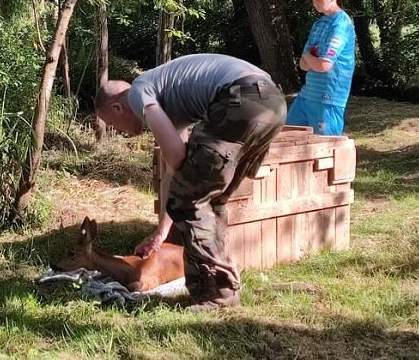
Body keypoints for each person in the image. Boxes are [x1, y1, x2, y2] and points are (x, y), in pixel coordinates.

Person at [95, 53, 287, 311]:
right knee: (211, 198)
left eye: (112, 125)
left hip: (240, 98)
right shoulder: (167, 97)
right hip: (272, 102)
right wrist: (161, 233)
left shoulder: (139, 93)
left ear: (117, 108)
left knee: (189, 201)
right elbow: (174, 172)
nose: (118, 132)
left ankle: (217, 294)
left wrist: (181, 197)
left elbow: (177, 160)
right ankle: (222, 285)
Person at [286, 0, 356, 136]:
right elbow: (302, 64)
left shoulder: (341, 24)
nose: (315, 3)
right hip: (307, 95)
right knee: (288, 138)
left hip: (329, 98)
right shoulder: (318, 24)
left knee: (326, 151)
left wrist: (311, 58)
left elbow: (324, 65)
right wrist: (312, 59)